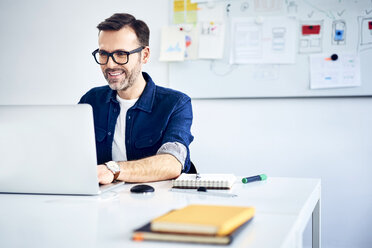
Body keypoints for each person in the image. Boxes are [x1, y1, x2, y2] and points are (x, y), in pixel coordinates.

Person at [79, 13, 194, 184]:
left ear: (145, 55)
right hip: (105, 201)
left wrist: (113, 169)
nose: (110, 64)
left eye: (121, 54)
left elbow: (172, 162)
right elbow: (74, 156)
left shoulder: (176, 104)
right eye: (103, 54)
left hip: (158, 201)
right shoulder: (91, 101)